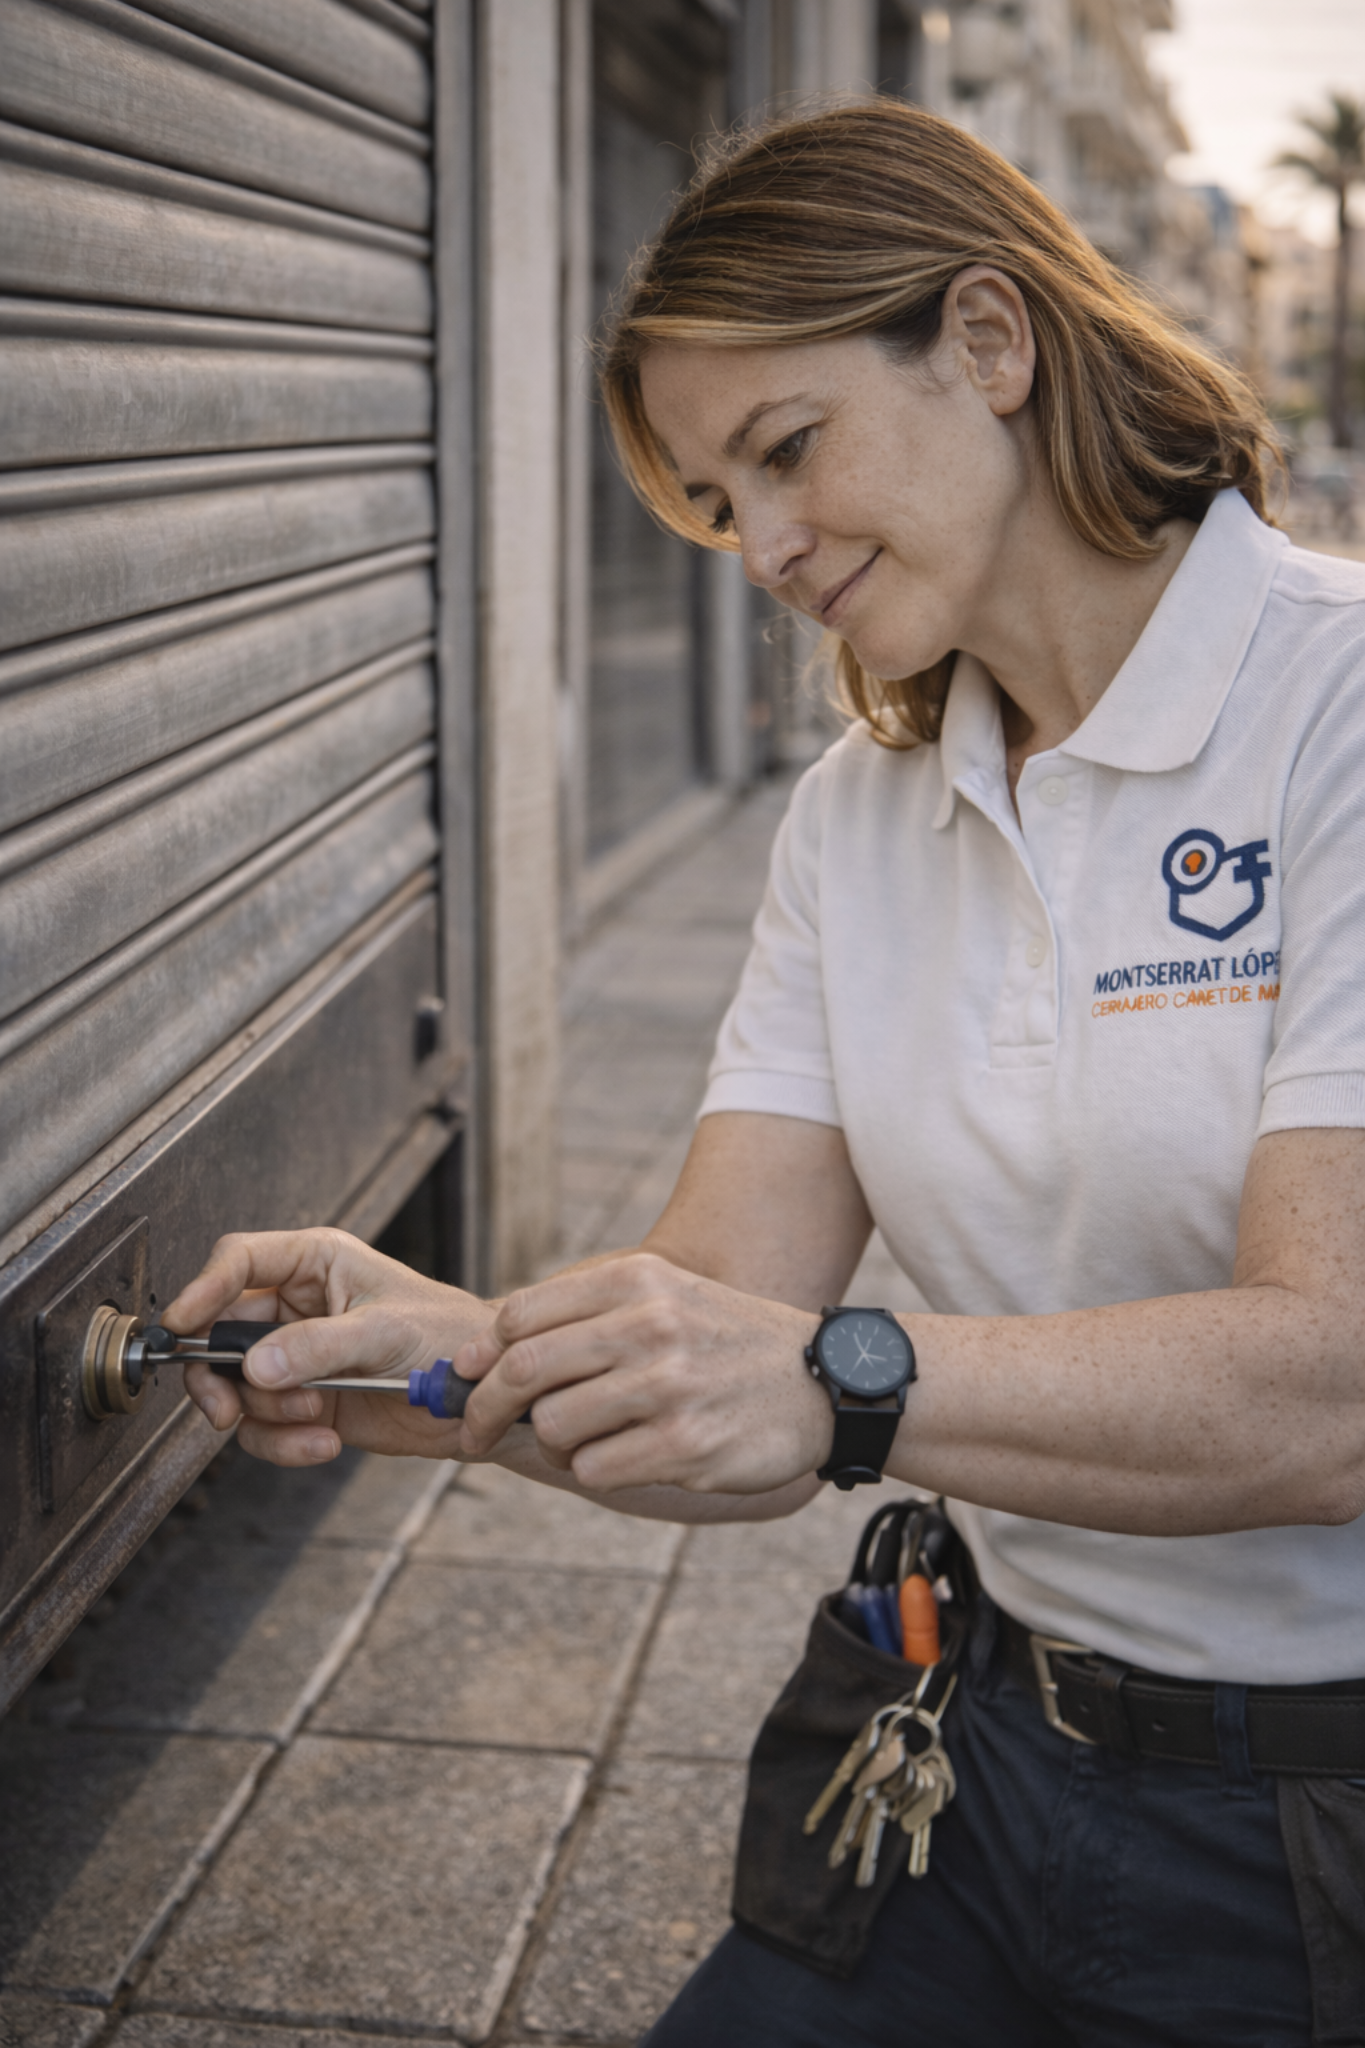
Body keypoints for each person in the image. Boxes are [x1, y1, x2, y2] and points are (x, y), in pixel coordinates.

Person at [166, 101, 1365, 2045]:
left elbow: (1330, 1391)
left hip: (1316, 1826)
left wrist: (840, 1386)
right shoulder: (856, 815)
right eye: (721, 503)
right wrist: (428, 1357)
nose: (766, 550)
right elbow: (726, 1328)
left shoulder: (1336, 707)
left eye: (786, 449)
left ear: (990, 340)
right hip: (969, 1740)